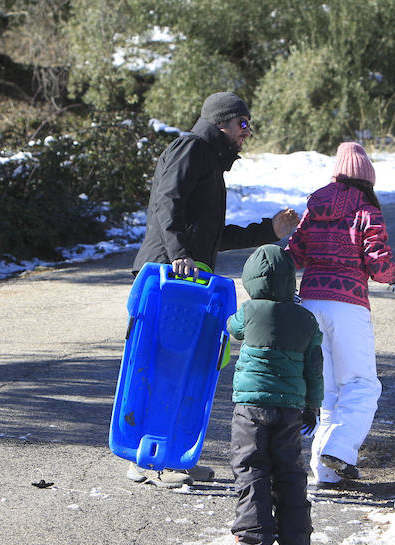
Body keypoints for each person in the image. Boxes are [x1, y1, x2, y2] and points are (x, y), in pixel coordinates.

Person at [127, 91, 300, 489]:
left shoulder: (209, 162)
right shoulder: (190, 148)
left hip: (187, 279)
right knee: (158, 367)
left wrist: (266, 232)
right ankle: (148, 461)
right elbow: (166, 203)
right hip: (166, 278)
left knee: (185, 369)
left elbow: (211, 235)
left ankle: (171, 456)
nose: (248, 132)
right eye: (243, 124)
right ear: (223, 121)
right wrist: (180, 255)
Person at [286, 141, 395, 489]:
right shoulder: (367, 211)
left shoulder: (315, 207)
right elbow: (379, 265)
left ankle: (326, 473)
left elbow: (294, 254)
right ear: (367, 178)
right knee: (363, 385)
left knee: (328, 392)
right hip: (348, 305)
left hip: (310, 304)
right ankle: (340, 450)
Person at [226, 244, 323, 545]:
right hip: (291, 408)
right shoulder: (306, 319)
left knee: (251, 465)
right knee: (289, 469)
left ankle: (254, 535)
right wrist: (313, 405)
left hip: (251, 407)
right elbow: (314, 369)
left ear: (251, 281)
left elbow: (232, 328)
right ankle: (297, 538)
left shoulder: (250, 311)